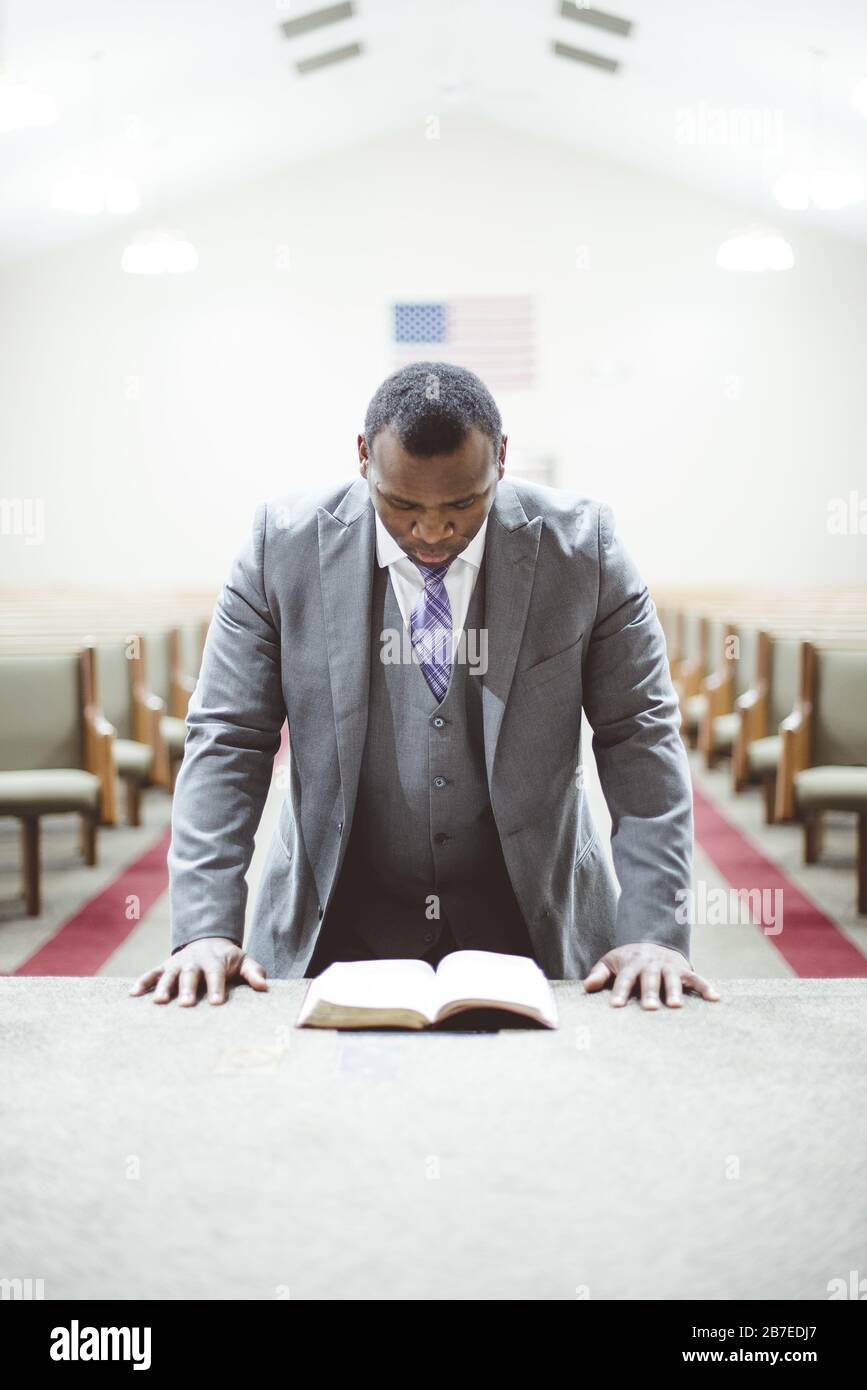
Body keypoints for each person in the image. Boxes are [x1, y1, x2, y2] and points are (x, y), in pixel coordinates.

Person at [130, 361, 719, 1011]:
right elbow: (229, 738)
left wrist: (654, 934)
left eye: (463, 504)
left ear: (500, 458)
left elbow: (638, 736)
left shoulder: (584, 549)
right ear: (362, 459)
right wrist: (204, 929)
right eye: (402, 504)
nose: (432, 531)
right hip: (334, 921)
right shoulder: (281, 548)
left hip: (536, 922)